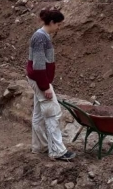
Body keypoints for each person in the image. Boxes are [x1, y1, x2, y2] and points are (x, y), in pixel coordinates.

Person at [26, 9, 76, 161]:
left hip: (38, 79)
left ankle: (39, 146)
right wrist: (45, 86)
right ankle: (57, 151)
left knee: (39, 115)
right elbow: (39, 65)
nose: (59, 28)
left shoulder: (42, 36)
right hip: (40, 80)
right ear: (52, 22)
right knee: (52, 113)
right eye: (59, 24)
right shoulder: (41, 38)